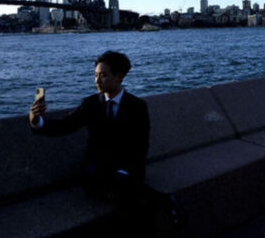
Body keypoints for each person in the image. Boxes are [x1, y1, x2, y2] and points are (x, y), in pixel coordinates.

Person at [29, 51, 182, 233]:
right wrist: (36, 120)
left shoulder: (137, 107)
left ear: (119, 76)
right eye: (95, 75)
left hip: (127, 169)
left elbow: (141, 147)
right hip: (97, 171)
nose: (97, 81)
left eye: (103, 75)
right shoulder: (90, 104)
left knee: (125, 193)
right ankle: (163, 201)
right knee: (126, 196)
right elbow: (64, 126)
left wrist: (124, 170)